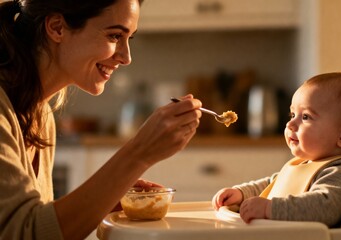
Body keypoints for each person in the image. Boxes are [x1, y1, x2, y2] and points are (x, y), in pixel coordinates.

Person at [0, 0, 202, 239]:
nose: (126, 57)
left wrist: (105, 199)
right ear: (57, 27)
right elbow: (26, 233)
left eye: (130, 38)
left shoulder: (41, 118)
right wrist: (138, 153)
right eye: (115, 36)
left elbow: (37, 223)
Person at [212, 72, 341, 227]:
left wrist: (269, 209)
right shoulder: (306, 163)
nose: (290, 124)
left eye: (306, 117)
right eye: (292, 115)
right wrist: (242, 193)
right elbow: (273, 183)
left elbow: (324, 207)